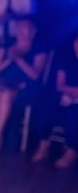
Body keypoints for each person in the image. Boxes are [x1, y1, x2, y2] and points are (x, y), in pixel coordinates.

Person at [0, 16, 47, 156]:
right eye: (20, 27)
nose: (22, 31)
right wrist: (9, 59)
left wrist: (19, 59)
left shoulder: (39, 48)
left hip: (25, 86)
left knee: (6, 95)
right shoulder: (7, 45)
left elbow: (35, 75)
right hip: (4, 83)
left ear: (33, 31)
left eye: (26, 28)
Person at [31, 32, 78, 169]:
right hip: (66, 96)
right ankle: (44, 145)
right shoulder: (66, 60)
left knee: (74, 116)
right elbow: (60, 85)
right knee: (47, 109)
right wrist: (73, 91)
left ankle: (71, 152)